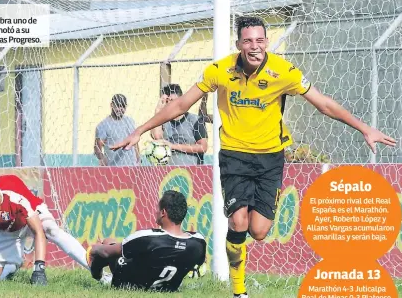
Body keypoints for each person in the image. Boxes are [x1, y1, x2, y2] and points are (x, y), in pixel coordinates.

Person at [110, 16, 397, 298]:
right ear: (238, 44)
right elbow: (183, 103)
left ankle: (239, 255)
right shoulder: (219, 71)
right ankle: (239, 291)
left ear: (267, 43)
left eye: (260, 40)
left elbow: (323, 104)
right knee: (238, 223)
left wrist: (364, 128)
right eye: (248, 41)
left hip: (271, 157)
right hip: (235, 156)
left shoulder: (284, 72)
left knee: (258, 231)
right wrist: (140, 130)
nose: (255, 46)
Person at [0, 175, 89, 284]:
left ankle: (94, 267)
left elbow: (38, 232)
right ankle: (13, 264)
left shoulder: (15, 193)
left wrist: (38, 270)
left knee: (50, 230)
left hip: (32, 217)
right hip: (8, 229)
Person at [85, 190, 206, 292]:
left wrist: (94, 248)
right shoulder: (198, 242)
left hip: (129, 285)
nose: (155, 212)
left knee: (108, 243)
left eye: (158, 209)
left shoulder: (147, 237)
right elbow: (199, 263)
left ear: (163, 213)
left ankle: (100, 277)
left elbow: (107, 253)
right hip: (169, 287)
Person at [151, 84, 208, 165]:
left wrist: (173, 146)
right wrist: (158, 111)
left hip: (191, 173)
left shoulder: (195, 120)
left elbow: (203, 147)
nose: (171, 104)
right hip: (168, 174)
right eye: (167, 101)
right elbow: (157, 137)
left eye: (173, 101)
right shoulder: (162, 121)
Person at [95, 94, 140, 166]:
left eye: (123, 106)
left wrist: (138, 159)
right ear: (112, 105)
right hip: (114, 168)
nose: (120, 109)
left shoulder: (130, 121)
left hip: (132, 166)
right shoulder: (103, 125)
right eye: (118, 106)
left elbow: (135, 142)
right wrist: (102, 160)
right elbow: (98, 147)